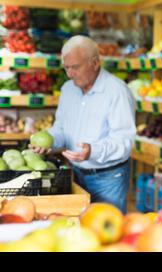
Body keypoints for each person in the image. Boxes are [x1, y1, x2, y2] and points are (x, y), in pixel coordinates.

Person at [30, 35, 136, 213]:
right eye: (66, 68)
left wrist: (93, 151)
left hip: (108, 178)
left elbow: (123, 141)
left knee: (107, 231)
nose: (70, 73)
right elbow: (61, 129)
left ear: (94, 63)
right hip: (76, 174)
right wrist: (49, 141)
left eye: (75, 67)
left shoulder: (117, 91)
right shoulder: (67, 89)